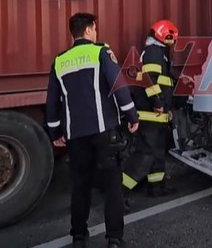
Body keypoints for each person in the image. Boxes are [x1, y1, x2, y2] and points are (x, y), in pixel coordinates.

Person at [45, 13, 140, 248]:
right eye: (94, 29)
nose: (96, 33)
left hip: (75, 135)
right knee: (112, 186)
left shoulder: (60, 61)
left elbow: (52, 101)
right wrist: (132, 116)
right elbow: (119, 87)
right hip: (104, 131)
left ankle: (79, 237)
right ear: (89, 29)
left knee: (80, 186)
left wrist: (55, 133)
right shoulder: (100, 53)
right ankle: (114, 240)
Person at [122, 20, 180, 198]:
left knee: (157, 154)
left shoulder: (159, 53)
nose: (173, 42)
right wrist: (158, 103)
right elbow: (149, 80)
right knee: (144, 156)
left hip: (157, 117)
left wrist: (167, 109)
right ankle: (119, 193)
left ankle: (156, 187)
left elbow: (163, 84)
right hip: (150, 115)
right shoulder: (154, 52)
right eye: (171, 38)